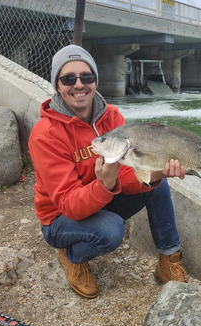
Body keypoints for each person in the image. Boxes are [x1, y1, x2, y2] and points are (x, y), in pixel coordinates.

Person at [29, 44, 187, 298]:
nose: (79, 84)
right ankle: (71, 255)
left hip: (100, 199)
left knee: (156, 185)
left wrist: (155, 174)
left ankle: (169, 261)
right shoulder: (45, 136)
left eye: (87, 77)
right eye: (69, 78)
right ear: (57, 85)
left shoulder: (111, 116)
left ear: (95, 81)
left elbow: (126, 174)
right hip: (60, 218)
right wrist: (104, 185)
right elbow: (68, 204)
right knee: (110, 231)